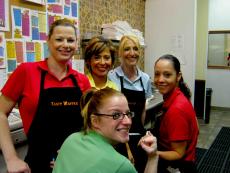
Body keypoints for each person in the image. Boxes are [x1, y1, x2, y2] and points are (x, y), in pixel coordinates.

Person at [0, 19, 91, 173]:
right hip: (36, 165)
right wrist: (11, 158)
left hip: (75, 163)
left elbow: (91, 124)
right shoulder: (26, 72)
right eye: (59, 39)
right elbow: (1, 112)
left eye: (70, 40)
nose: (65, 44)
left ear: (76, 45)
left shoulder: (81, 80)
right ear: (48, 41)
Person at [52, 87, 158, 173]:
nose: (128, 122)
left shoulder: (71, 139)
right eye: (116, 115)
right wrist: (153, 158)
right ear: (95, 121)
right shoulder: (120, 165)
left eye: (128, 114)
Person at [108, 35, 152, 172]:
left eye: (135, 49)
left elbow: (145, 110)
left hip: (139, 136)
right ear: (120, 53)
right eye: (127, 49)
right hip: (118, 138)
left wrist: (146, 132)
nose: (132, 53)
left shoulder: (145, 79)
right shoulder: (112, 76)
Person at [153, 54, 199, 173]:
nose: (160, 79)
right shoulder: (178, 96)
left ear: (178, 76)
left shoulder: (177, 109)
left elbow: (178, 153)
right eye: (157, 74)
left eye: (167, 75)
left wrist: (152, 153)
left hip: (180, 166)